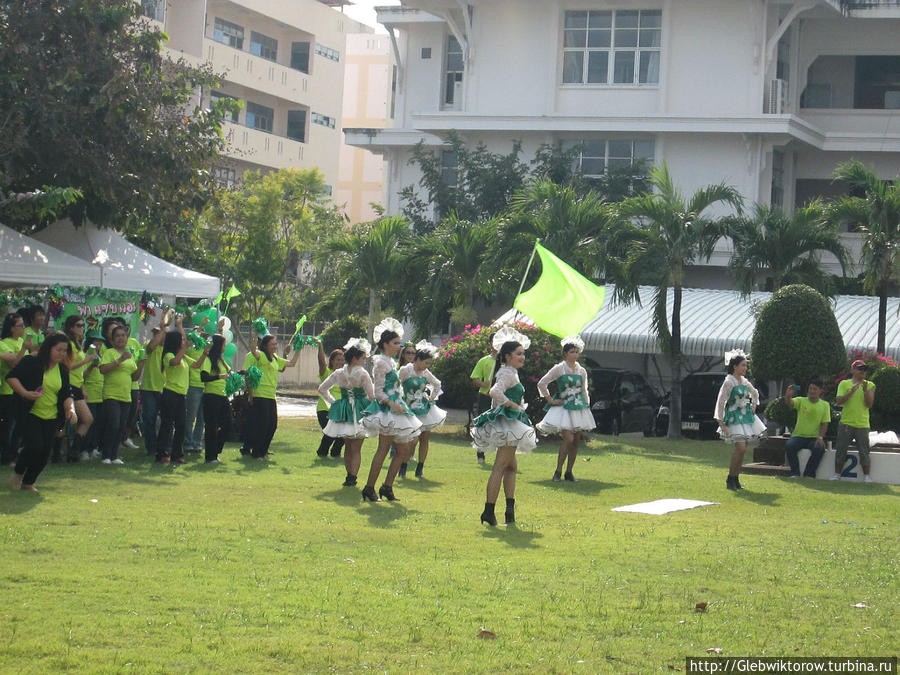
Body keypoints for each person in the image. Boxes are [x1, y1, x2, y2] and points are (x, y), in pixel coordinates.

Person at [471, 326, 538, 525]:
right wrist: (511, 404)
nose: (522, 357)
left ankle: (509, 511)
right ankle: (489, 511)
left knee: (511, 467)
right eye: (518, 354)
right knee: (501, 466)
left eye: (523, 354)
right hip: (508, 423)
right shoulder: (507, 372)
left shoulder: (511, 372)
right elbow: (494, 392)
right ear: (507, 356)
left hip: (511, 422)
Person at [360, 318, 422, 502]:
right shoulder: (381, 363)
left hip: (397, 408)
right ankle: (369, 488)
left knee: (403, 451)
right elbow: (377, 391)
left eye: (399, 343)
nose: (398, 346)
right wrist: (391, 403)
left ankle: (386, 487)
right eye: (395, 343)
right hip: (387, 410)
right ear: (385, 344)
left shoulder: (391, 362)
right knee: (384, 449)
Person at [7, 332, 77, 490]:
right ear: (49, 348)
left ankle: (28, 482)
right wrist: (25, 393)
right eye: (58, 349)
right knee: (34, 446)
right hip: (30, 412)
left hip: (52, 416)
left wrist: (71, 409)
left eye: (64, 350)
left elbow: (66, 394)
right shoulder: (32, 361)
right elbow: (12, 377)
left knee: (45, 452)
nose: (61, 353)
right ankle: (17, 475)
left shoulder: (62, 370)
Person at [536, 335, 595, 482]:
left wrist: (586, 405)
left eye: (576, 352)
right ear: (565, 354)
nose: (575, 355)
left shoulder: (581, 371)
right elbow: (542, 383)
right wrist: (550, 399)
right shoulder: (559, 368)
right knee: (568, 439)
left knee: (576, 440)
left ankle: (569, 472)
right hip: (563, 407)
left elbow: (584, 390)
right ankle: (558, 470)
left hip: (578, 406)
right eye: (571, 352)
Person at [317, 338, 375, 487]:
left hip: (344, 411)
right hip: (359, 410)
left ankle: (349, 476)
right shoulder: (363, 374)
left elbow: (322, 389)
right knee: (356, 448)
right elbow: (372, 396)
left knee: (348, 446)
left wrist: (334, 403)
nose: (364, 361)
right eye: (363, 358)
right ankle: (352, 477)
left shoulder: (339, 373)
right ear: (355, 358)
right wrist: (366, 405)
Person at [714, 350, 766, 490]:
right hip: (733, 418)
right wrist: (721, 421)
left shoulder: (743, 381)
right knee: (741, 448)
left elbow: (754, 393)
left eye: (745, 365)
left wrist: (754, 405)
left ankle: (735, 478)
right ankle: (730, 478)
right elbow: (721, 401)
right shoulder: (729, 381)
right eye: (742, 365)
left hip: (744, 417)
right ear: (735, 366)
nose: (745, 368)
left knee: (743, 450)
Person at [246, 333, 301, 460]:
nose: (275, 346)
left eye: (276, 344)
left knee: (272, 425)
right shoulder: (262, 356)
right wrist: (255, 334)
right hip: (260, 394)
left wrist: (298, 349)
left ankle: (263, 451)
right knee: (263, 425)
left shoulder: (275, 358)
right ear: (265, 346)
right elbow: (253, 350)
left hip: (271, 396)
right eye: (272, 344)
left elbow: (292, 363)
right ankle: (257, 453)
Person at [398, 340, 447, 479]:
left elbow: (437, 384)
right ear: (417, 359)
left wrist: (431, 397)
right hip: (408, 408)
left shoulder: (426, 373)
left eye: (429, 364)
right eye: (425, 362)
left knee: (424, 438)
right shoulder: (406, 370)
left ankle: (420, 468)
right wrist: (399, 399)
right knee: (411, 440)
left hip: (424, 409)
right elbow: (396, 384)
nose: (427, 366)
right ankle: (403, 465)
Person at [98, 325, 138, 464]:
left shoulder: (129, 354)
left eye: (123, 335)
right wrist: (120, 360)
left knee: (121, 426)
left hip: (126, 395)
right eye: (118, 336)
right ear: (113, 339)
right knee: (113, 424)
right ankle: (106, 455)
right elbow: (103, 369)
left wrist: (142, 362)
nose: (121, 338)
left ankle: (114, 456)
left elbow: (134, 375)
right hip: (111, 394)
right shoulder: (110, 352)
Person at [831, 359, 876, 482]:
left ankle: (867, 476)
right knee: (841, 449)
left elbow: (869, 404)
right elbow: (839, 401)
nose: (862, 372)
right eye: (859, 369)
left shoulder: (870, 385)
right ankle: (837, 474)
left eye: (864, 369)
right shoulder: (844, 384)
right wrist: (851, 391)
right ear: (852, 370)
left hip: (862, 423)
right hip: (846, 422)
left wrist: (865, 390)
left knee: (864, 450)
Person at [155, 318, 191, 464]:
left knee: (181, 424)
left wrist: (205, 353)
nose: (183, 342)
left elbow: (195, 365)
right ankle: (162, 453)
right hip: (170, 393)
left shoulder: (183, 357)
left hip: (181, 394)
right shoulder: (169, 355)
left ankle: (177, 453)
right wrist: (184, 348)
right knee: (167, 425)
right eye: (181, 341)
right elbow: (174, 362)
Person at [62, 315, 97, 462]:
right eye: (79, 325)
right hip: (68, 384)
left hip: (77, 385)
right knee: (67, 420)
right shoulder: (67, 343)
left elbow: (79, 371)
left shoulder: (78, 344)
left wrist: (82, 387)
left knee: (87, 419)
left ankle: (74, 450)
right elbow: (66, 367)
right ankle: (61, 452)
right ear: (71, 328)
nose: (82, 328)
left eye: (83, 325)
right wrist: (87, 360)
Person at [782, 377, 831, 480]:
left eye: (815, 389)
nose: (812, 391)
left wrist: (820, 437)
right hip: (798, 436)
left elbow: (825, 423)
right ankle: (795, 473)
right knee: (790, 445)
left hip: (813, 437)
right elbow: (790, 403)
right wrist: (788, 396)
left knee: (819, 448)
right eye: (810, 388)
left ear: (820, 391)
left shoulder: (825, 405)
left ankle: (809, 474)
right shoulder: (801, 400)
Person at [0, 313, 32, 466]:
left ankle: (14, 453)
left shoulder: (22, 342)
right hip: (8, 390)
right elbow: (14, 365)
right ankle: (6, 456)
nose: (23, 328)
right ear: (11, 328)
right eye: (20, 326)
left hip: (23, 390)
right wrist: (24, 349)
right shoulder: (5, 343)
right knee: (9, 425)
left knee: (21, 424)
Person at [199, 334, 232, 464]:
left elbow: (228, 374)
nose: (225, 347)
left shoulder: (221, 360)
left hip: (223, 395)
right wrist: (219, 376)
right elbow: (204, 377)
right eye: (223, 345)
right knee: (211, 426)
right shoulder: (208, 360)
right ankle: (210, 456)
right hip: (211, 396)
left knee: (227, 424)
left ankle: (216, 451)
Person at [141, 313, 171, 456]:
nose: (156, 335)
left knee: (166, 420)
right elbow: (152, 345)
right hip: (149, 389)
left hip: (164, 389)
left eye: (158, 333)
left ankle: (164, 446)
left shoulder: (168, 350)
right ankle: (151, 448)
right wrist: (163, 327)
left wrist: (164, 328)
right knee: (149, 420)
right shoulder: (150, 346)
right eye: (155, 333)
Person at [469, 334, 497, 464]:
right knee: (482, 424)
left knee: (500, 425)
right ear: (490, 344)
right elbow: (475, 378)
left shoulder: (507, 362)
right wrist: (483, 384)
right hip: (485, 396)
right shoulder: (484, 361)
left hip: (501, 399)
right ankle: (480, 454)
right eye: (494, 342)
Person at [315, 343, 345, 458]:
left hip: (340, 409)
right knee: (330, 432)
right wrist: (320, 346)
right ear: (331, 361)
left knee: (345, 433)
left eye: (342, 360)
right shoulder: (327, 373)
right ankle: (322, 452)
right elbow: (321, 362)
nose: (341, 362)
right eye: (338, 360)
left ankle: (335, 453)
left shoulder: (345, 376)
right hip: (325, 409)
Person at [81, 330, 106, 459]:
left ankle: (93, 447)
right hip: (89, 393)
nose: (98, 344)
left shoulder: (101, 356)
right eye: (96, 341)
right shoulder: (86, 355)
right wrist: (91, 366)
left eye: (100, 341)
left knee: (98, 423)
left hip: (100, 394)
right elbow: (82, 376)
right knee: (89, 422)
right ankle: (84, 449)